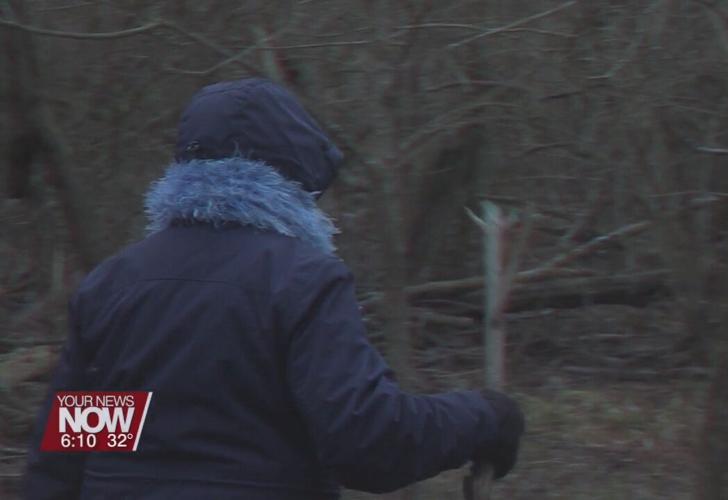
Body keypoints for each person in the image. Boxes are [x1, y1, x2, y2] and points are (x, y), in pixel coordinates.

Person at [24, 78, 524, 499]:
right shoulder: (300, 280)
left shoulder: (116, 284)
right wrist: (485, 418)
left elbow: (71, 459)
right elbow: (369, 443)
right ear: (297, 183)